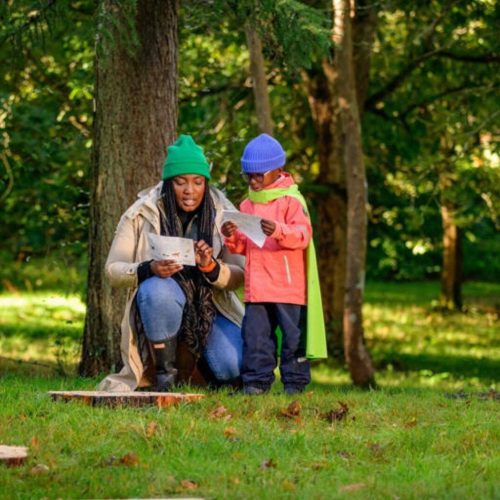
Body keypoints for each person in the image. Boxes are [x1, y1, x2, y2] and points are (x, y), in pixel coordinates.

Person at [98, 134, 245, 392]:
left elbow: (239, 275)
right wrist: (149, 269)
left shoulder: (224, 213)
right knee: (156, 289)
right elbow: (112, 270)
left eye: (198, 182)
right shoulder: (142, 212)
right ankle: (164, 377)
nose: (190, 190)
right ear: (168, 183)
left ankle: (200, 373)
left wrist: (212, 268)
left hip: (212, 307)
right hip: (164, 301)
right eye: (180, 182)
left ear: (205, 183)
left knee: (232, 366)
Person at [221, 133, 327, 396]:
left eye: (259, 175)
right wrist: (231, 234)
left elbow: (302, 236)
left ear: (277, 171)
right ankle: (256, 383)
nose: (253, 180)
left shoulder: (292, 201)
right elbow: (242, 246)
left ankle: (294, 384)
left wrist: (278, 230)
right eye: (249, 175)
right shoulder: (247, 204)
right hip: (257, 288)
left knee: (293, 340)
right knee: (256, 339)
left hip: (288, 288)